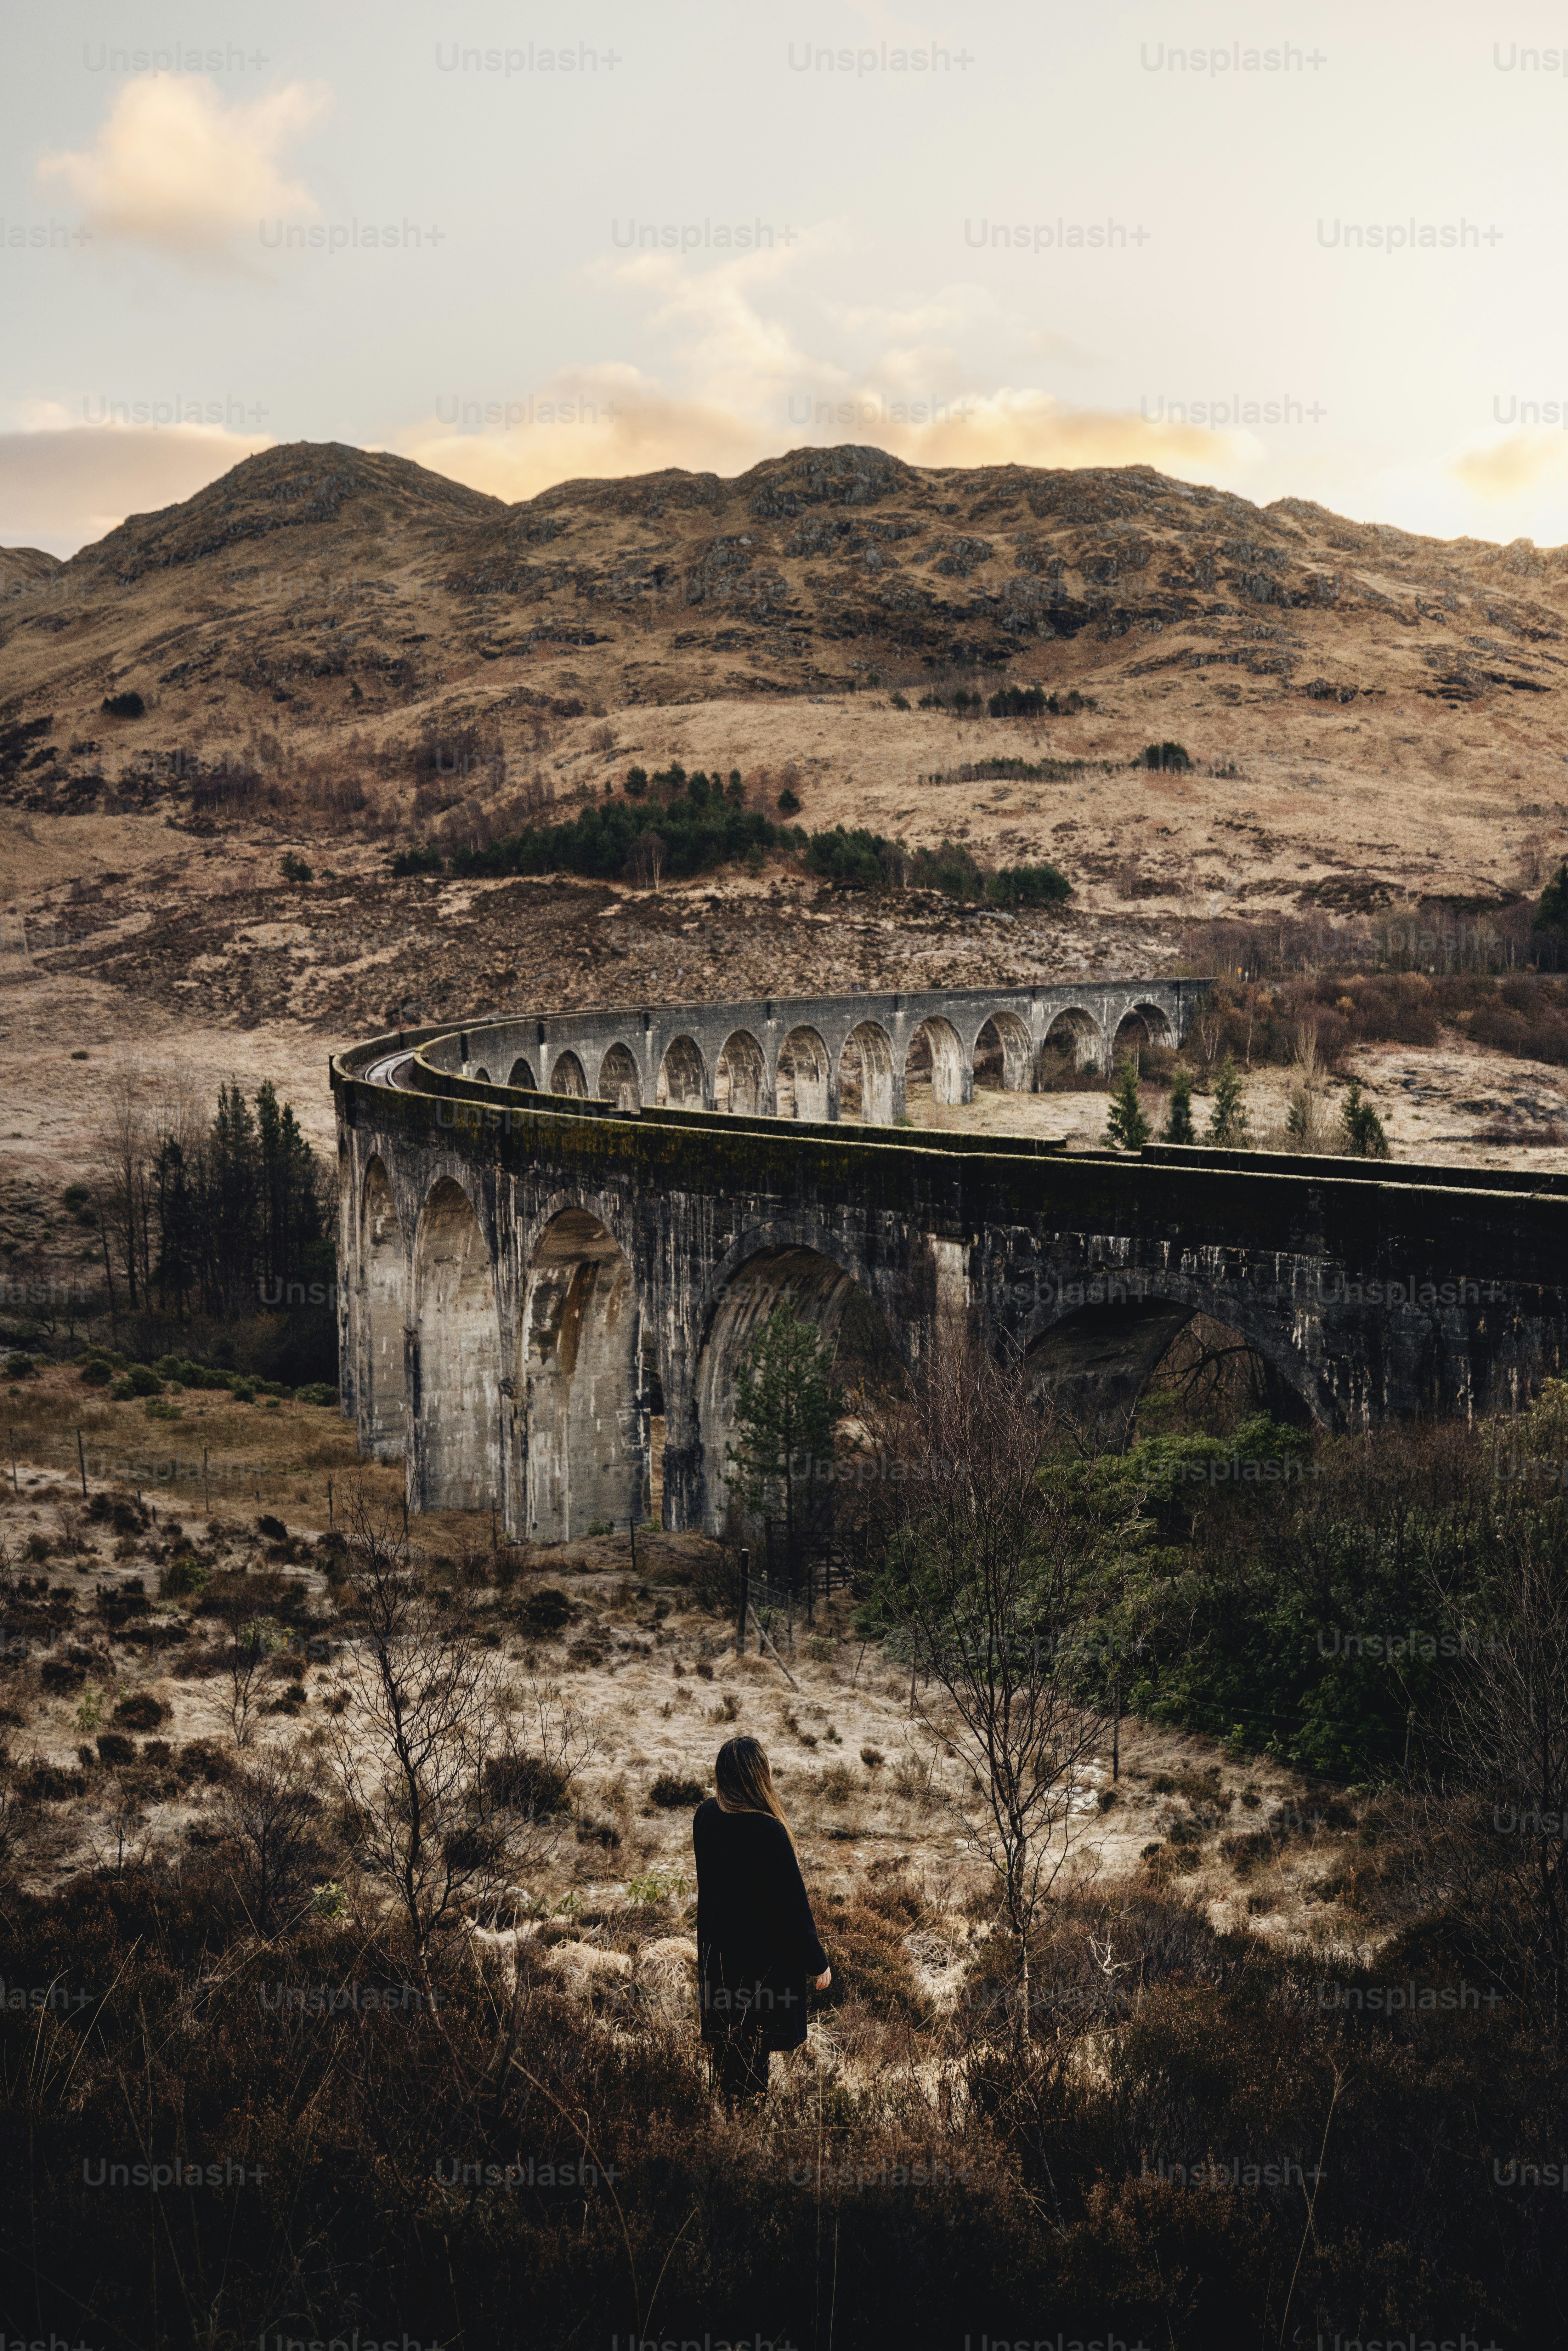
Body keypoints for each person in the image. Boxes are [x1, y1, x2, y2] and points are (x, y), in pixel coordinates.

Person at [693, 1735, 830, 2106]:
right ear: (759, 1777)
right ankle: (744, 2141)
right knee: (752, 2057)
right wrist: (818, 1964)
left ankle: (729, 2127)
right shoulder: (769, 1832)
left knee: (729, 2054)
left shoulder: (705, 1816)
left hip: (717, 1961)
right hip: (759, 1969)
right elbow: (792, 1907)